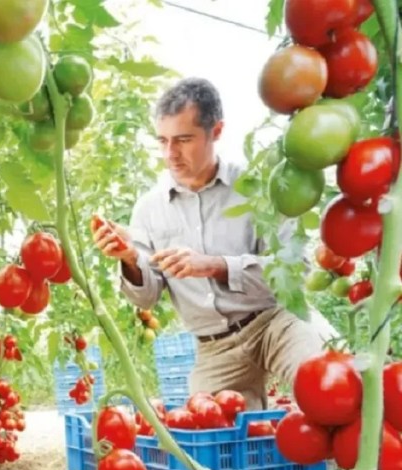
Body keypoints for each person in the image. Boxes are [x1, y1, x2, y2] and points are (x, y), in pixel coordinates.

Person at [91, 77, 335, 411]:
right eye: (162, 141)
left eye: (183, 140)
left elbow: (295, 270)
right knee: (215, 439)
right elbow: (146, 295)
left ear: (216, 131)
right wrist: (131, 259)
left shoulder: (257, 187)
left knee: (326, 385)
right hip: (214, 346)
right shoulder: (149, 209)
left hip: (276, 321)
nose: (170, 154)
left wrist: (216, 265)